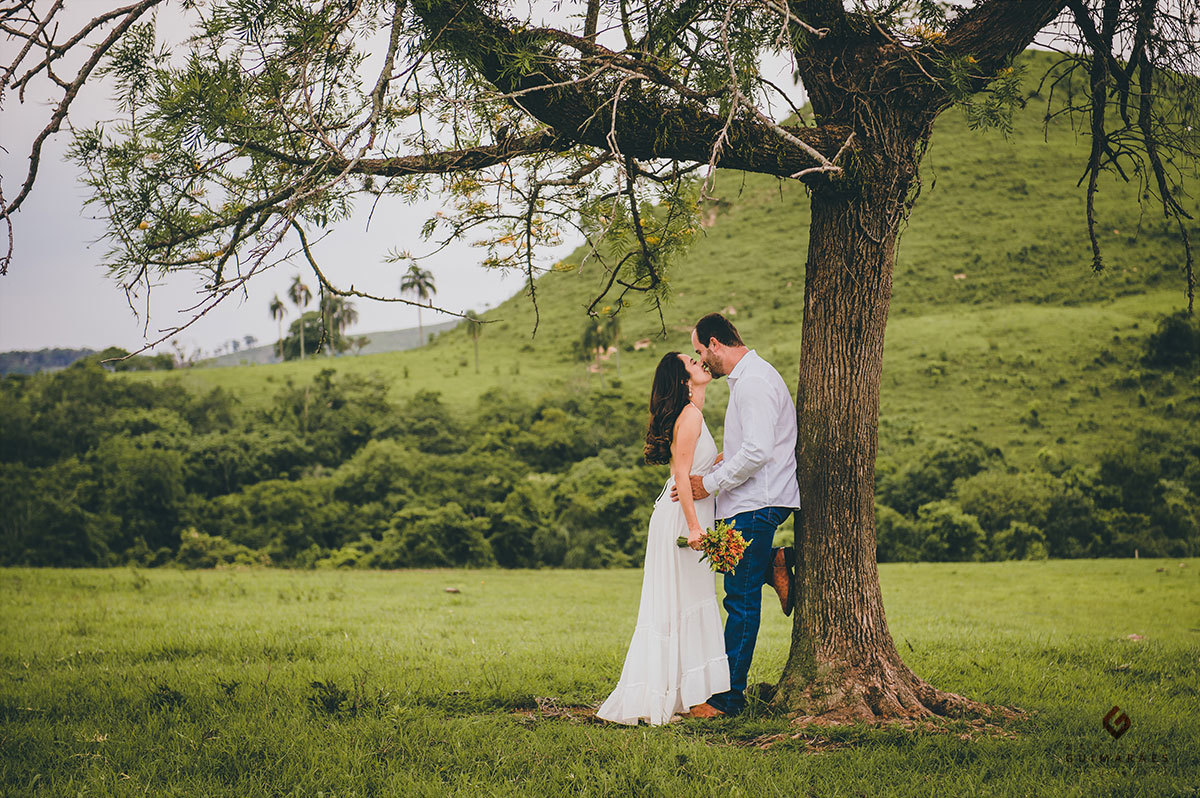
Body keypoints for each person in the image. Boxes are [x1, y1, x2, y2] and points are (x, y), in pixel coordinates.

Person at [672, 312, 800, 718]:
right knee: (740, 588)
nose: (701, 361)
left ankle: (730, 700)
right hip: (747, 504)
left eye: (698, 352)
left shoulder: (756, 382)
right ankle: (774, 561)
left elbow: (759, 452)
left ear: (714, 343)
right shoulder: (746, 380)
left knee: (740, 601)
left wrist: (706, 485)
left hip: (755, 505)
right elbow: (750, 446)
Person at [595, 352, 731, 726]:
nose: (701, 361)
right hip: (681, 521)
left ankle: (688, 694)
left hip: (687, 514)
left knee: (690, 601)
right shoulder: (689, 416)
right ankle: (687, 697)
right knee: (682, 603)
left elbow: (696, 467)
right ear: (683, 378)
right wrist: (694, 528)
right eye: (692, 360)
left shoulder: (693, 414)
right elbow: (683, 475)